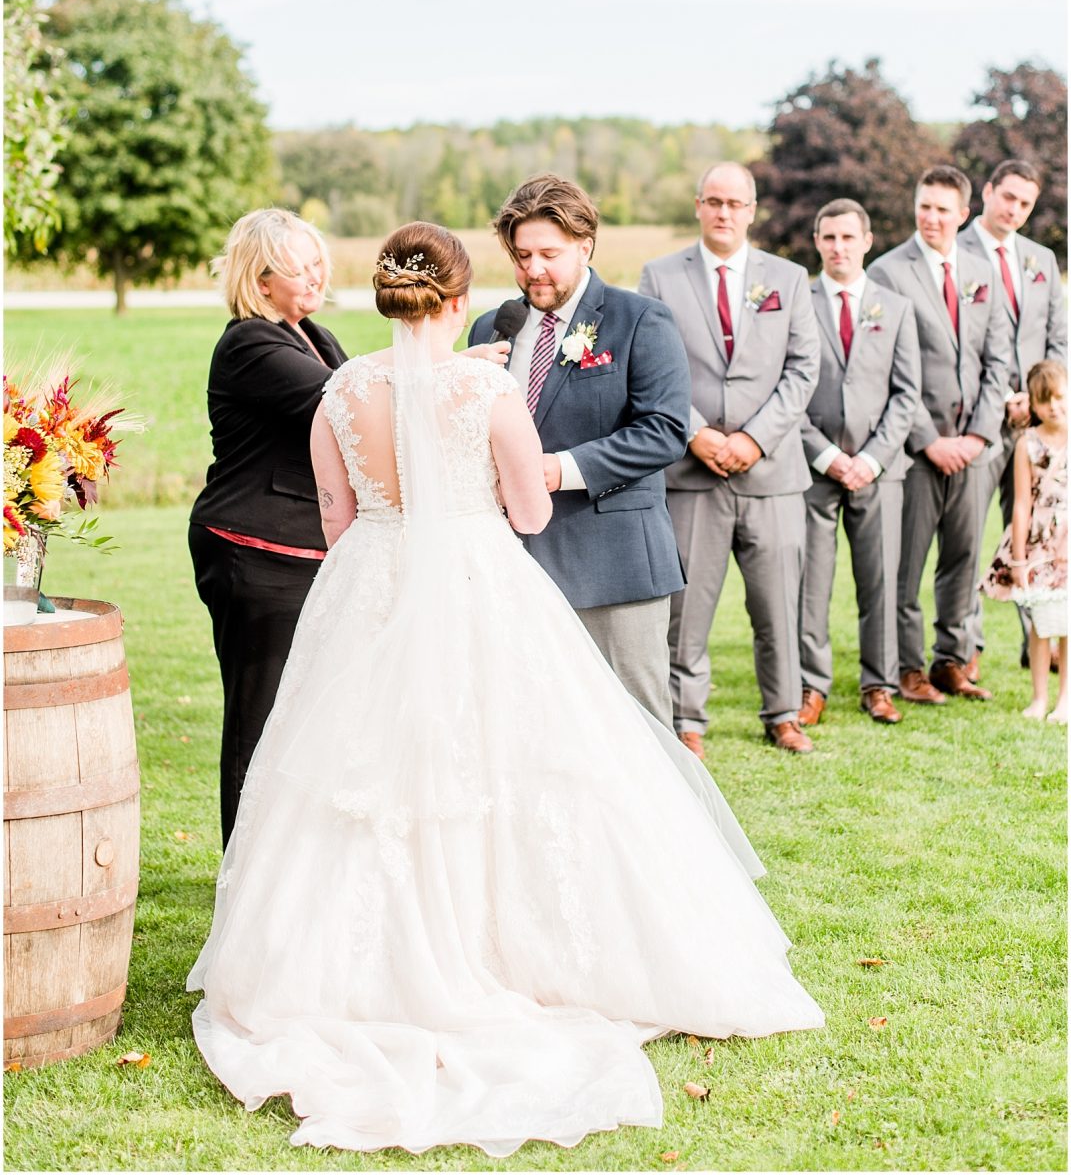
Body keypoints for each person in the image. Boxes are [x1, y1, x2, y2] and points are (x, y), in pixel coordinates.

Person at [187, 222, 824, 1157]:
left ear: (383, 298)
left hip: (366, 584)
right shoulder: (484, 387)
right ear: (456, 300)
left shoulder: (340, 391)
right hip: (482, 583)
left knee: (358, 773)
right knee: (514, 760)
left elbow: (336, 514)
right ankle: (518, 952)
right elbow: (529, 509)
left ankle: (337, 969)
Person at [469, 174, 691, 730]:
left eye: (549, 253)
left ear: (585, 246)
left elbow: (665, 429)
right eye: (521, 256)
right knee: (534, 729)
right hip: (512, 565)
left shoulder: (639, 320)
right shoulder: (491, 328)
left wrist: (558, 470)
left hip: (613, 566)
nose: (533, 270)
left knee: (637, 731)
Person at [639, 163, 821, 755]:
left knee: (778, 606)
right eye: (713, 201)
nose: (723, 212)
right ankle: (686, 718)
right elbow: (651, 367)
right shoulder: (661, 277)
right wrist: (695, 434)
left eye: (734, 203)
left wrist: (755, 439)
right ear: (698, 206)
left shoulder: (789, 279)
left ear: (751, 209)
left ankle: (784, 712)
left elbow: (802, 369)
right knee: (686, 610)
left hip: (772, 473)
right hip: (692, 473)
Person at [188, 209, 347, 846]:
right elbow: (345, 403)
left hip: (308, 548)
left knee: (306, 715)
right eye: (297, 268)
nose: (313, 277)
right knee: (259, 715)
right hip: (255, 550)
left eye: (317, 263)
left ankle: (290, 859)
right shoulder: (251, 344)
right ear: (259, 280)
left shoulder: (314, 333)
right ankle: (244, 867)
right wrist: (445, 373)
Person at [869, 165, 1012, 704]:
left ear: (964, 214)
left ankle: (952, 660)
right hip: (917, 448)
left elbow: (998, 361)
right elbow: (885, 368)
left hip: (975, 448)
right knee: (906, 567)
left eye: (941, 209)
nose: (930, 217)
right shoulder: (886, 272)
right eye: (923, 206)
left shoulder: (982, 271)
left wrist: (978, 436)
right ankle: (908, 669)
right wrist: (929, 439)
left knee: (964, 560)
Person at [797, 199, 922, 727]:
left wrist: (870, 459)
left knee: (880, 582)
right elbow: (788, 391)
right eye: (829, 238)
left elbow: (906, 395)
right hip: (813, 469)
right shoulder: (796, 304)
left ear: (867, 241)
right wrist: (826, 456)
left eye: (848, 237)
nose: (838, 247)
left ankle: (879, 684)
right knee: (811, 583)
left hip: (880, 471)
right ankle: (811, 686)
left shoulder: (895, 308)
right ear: (818, 242)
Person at [959, 160, 1067, 677]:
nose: (1015, 210)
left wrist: (1038, 398)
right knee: (969, 535)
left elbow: (1057, 339)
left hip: (1038, 425)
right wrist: (1002, 395)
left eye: (1025, 203)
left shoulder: (1041, 259)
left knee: (1039, 535)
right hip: (979, 420)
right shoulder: (953, 253)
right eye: (1008, 198)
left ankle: (1040, 644)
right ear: (987, 192)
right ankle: (966, 649)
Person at [980, 359, 1067, 722]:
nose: (1054, 407)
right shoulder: (1026, 444)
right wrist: (1018, 559)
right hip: (1039, 544)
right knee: (1041, 622)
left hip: (1068, 543)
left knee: (1068, 624)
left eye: (1060, 397)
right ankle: (1038, 697)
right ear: (1032, 404)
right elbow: (1020, 503)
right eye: (1044, 400)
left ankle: (1065, 700)